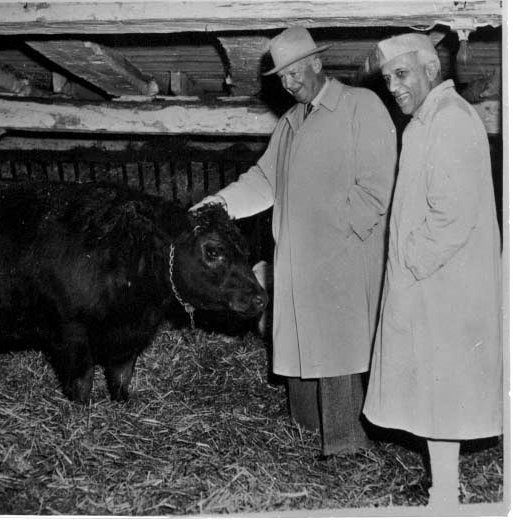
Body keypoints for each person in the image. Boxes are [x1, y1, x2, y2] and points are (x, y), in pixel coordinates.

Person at [191, 26, 397, 455]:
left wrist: (338, 236)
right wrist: (215, 206)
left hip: (341, 258)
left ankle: (345, 449)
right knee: (303, 346)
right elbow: (264, 181)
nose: (288, 83)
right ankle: (305, 437)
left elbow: (379, 184)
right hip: (296, 261)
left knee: (336, 351)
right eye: (282, 77)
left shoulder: (360, 107)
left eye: (295, 73)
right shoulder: (288, 123)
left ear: (318, 63)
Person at [362, 33, 502, 509]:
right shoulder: (426, 121)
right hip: (434, 282)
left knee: (446, 392)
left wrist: (411, 260)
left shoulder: (450, 121)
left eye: (402, 75)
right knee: (438, 395)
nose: (394, 87)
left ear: (430, 70)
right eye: (387, 79)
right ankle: (443, 491)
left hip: (446, 285)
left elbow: (453, 213)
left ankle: (446, 497)